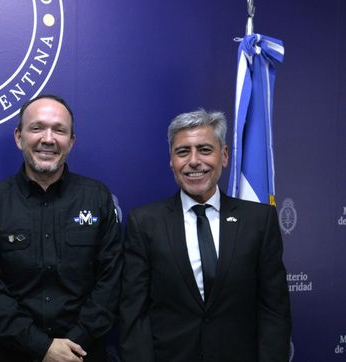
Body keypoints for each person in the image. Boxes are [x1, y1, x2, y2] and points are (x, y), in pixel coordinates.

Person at [119, 109, 291, 361]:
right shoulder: (144, 222)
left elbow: (274, 309)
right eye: (182, 152)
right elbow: (133, 314)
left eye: (205, 149)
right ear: (171, 161)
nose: (194, 161)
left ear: (224, 156)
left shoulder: (259, 220)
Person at [0, 94, 122, 362]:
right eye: (37, 127)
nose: (48, 139)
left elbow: (111, 280)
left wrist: (74, 343)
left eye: (59, 130)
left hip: (82, 353)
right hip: (13, 353)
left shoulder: (97, 198)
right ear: (19, 137)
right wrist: (42, 346)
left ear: (71, 142)